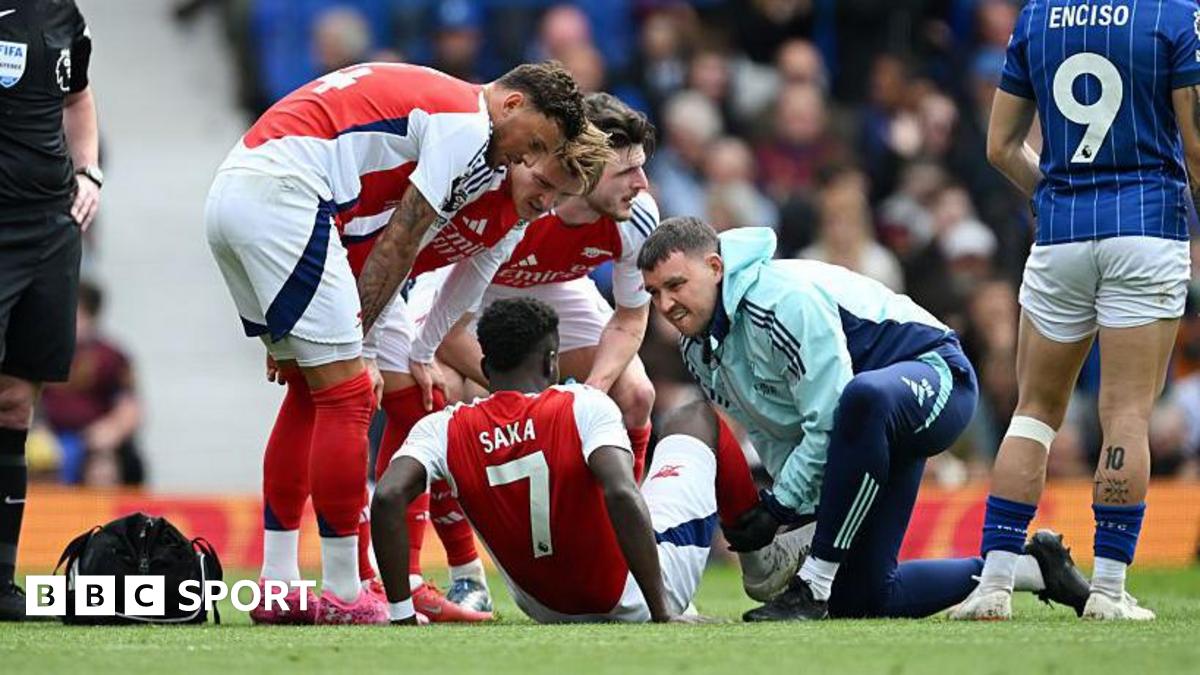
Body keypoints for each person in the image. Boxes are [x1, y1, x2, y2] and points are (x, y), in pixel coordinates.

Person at [205, 60, 586, 625]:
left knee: (312, 395)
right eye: (532, 144)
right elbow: (400, 240)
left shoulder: (445, 107)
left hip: (241, 190)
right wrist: (359, 345)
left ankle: (278, 583)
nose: (526, 161)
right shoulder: (465, 125)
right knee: (349, 395)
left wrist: (395, 344)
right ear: (511, 105)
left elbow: (388, 237)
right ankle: (344, 590)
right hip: (290, 198)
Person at [637, 218, 1087, 621]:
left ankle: (812, 586)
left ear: (716, 267)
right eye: (654, 292)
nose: (666, 304)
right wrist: (789, 506)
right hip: (869, 424)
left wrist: (779, 507)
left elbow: (830, 414)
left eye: (676, 284)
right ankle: (1034, 569)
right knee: (864, 600)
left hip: (935, 376)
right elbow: (773, 429)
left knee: (863, 395)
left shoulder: (780, 300)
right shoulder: (698, 347)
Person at [951, 0, 1200, 622]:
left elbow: (1000, 147)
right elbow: (1196, 145)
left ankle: (995, 585)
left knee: (1033, 412)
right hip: (1146, 229)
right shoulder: (1174, 16)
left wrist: (1060, 200)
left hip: (1061, 235)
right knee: (1125, 413)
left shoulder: (1036, 18)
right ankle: (1109, 593)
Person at [371, 298, 795, 624]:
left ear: (484, 364)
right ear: (551, 360)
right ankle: (761, 566)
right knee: (695, 415)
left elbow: (388, 495)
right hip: (631, 597)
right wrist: (662, 611)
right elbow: (620, 491)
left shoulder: (443, 429)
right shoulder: (582, 404)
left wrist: (401, 615)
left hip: (544, 607)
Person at [362, 128, 612, 622]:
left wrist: (570, 402)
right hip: (425, 277)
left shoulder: (615, 212)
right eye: (627, 170)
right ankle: (451, 574)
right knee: (429, 392)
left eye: (562, 195)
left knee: (636, 391)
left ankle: (618, 538)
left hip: (530, 291)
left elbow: (632, 319)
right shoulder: (473, 173)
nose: (639, 184)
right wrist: (397, 348)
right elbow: (427, 274)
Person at [0, 0, 99, 621]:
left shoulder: (64, 15)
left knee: (15, 399)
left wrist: (89, 172)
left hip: (47, 228)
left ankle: (1, 582)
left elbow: (79, 98)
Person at [40, 281, 144, 486]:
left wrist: (111, 430)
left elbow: (129, 405)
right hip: (48, 438)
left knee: (103, 468)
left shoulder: (111, 356)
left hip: (91, 441)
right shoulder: (40, 353)